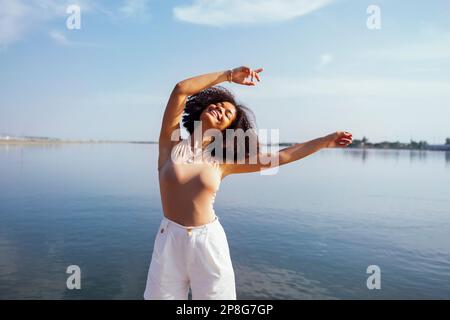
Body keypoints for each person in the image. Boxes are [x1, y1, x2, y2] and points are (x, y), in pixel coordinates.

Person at [144, 66, 353, 300]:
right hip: (169, 239)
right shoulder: (170, 145)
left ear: (228, 130)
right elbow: (180, 90)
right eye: (217, 105)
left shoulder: (222, 162)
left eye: (227, 113)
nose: (219, 110)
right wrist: (229, 75)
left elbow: (281, 156)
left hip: (208, 243)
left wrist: (324, 142)